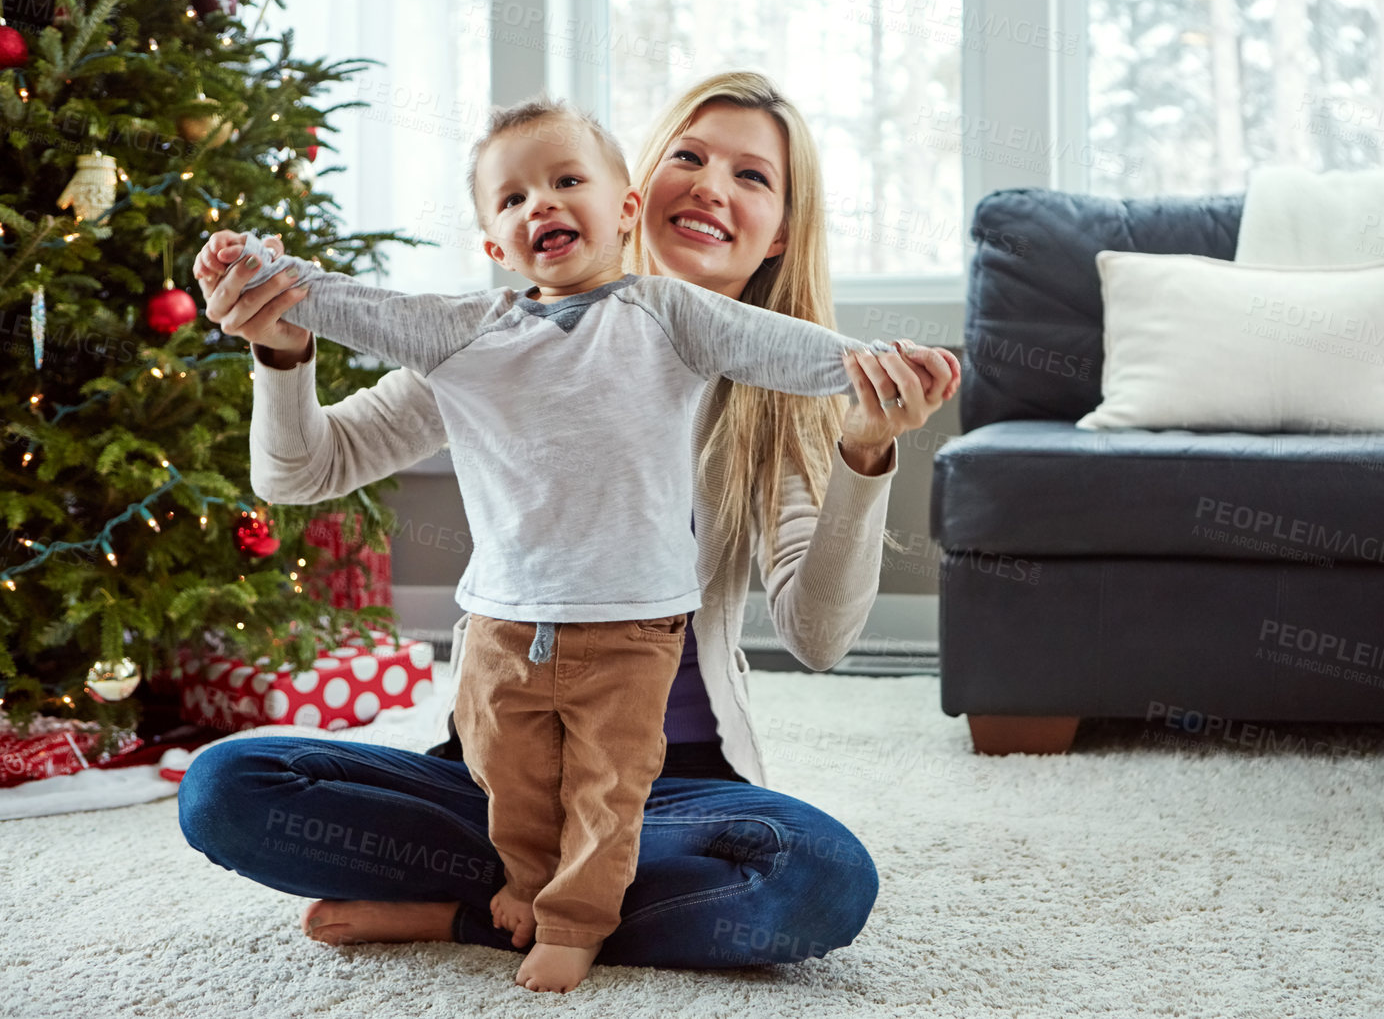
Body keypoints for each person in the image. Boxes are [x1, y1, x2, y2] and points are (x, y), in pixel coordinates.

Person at [177, 71, 961, 978]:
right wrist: (284, 343)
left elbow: (819, 640)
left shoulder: (780, 410)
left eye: (753, 177)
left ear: (781, 231)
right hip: (496, 774)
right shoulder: (500, 348)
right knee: (227, 788)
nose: (712, 185)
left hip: (672, 793)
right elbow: (302, 470)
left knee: (817, 878)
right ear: (638, 191)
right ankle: (536, 887)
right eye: (691, 157)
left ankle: (487, 909)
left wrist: (865, 454)